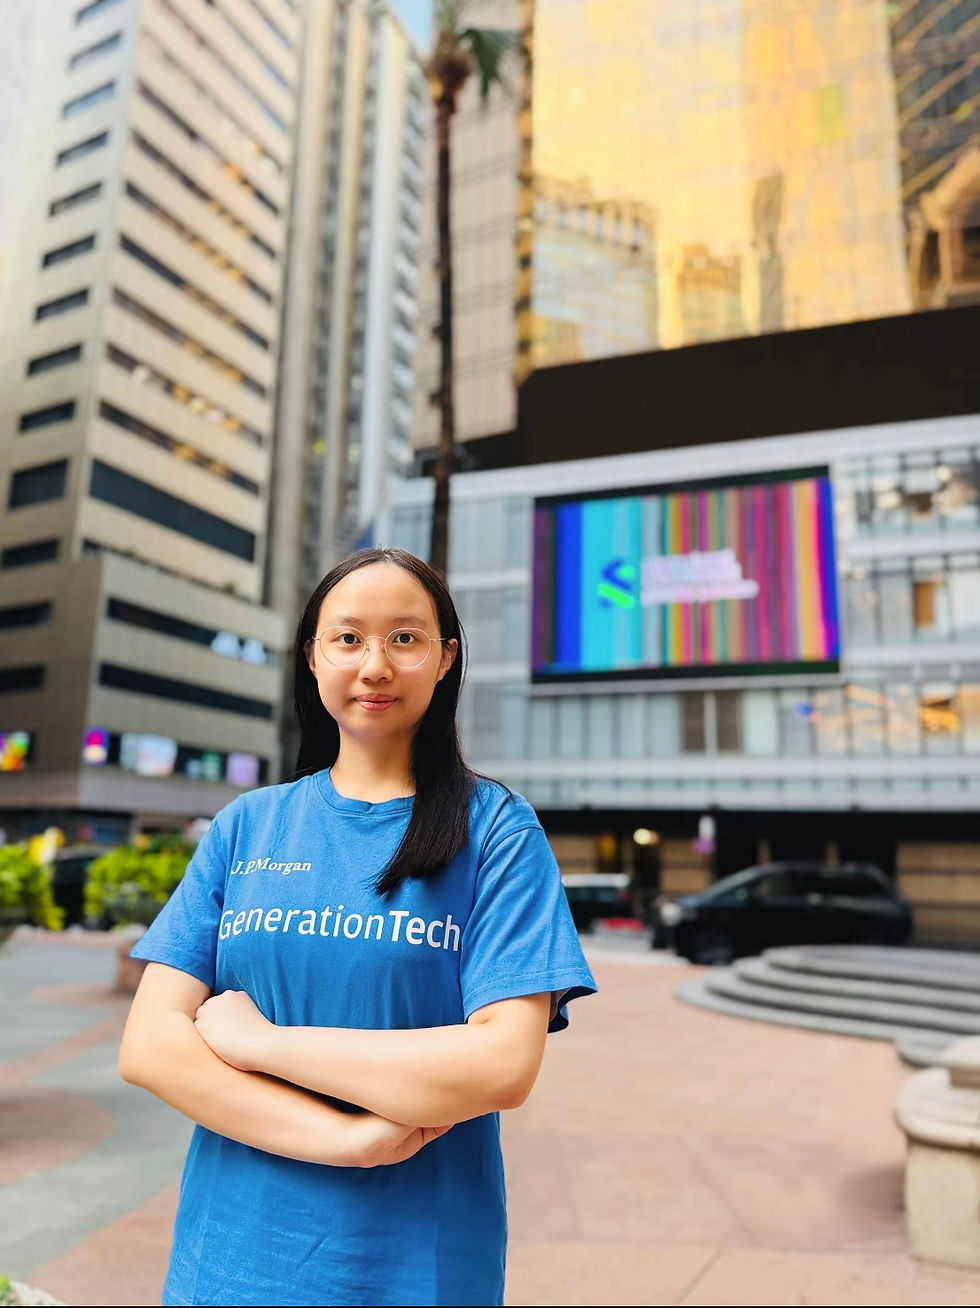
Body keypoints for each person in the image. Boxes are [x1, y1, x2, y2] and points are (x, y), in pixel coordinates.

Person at [119, 546, 597, 1307]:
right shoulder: (248, 825)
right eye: (348, 638)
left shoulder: (498, 830)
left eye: (404, 638)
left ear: (445, 659)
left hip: (416, 1270)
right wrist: (344, 1142)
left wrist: (265, 1044)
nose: (375, 664)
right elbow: (150, 1047)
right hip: (230, 1266)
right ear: (312, 658)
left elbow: (502, 1064)